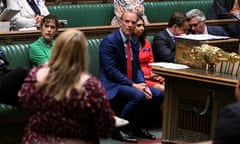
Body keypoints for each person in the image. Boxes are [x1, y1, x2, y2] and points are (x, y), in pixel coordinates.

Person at [18, 29, 116, 144]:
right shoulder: (91, 86)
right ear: (83, 54)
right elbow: (105, 127)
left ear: (56, 49)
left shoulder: (34, 77)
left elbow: (23, 102)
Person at [99, 10, 164, 143]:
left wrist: (143, 84)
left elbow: (138, 69)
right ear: (120, 23)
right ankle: (117, 130)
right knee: (138, 95)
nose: (130, 25)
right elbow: (111, 71)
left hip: (131, 82)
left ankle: (137, 126)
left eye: (133, 23)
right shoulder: (109, 42)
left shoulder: (133, 43)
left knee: (157, 94)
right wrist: (133, 85)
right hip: (113, 84)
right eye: (127, 21)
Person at [133, 15, 165, 91]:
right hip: (139, 79)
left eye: (143, 25)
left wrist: (153, 73)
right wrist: (147, 77)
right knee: (163, 89)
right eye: (138, 25)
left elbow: (151, 62)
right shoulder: (127, 44)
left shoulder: (146, 42)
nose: (142, 28)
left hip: (151, 75)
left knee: (171, 86)